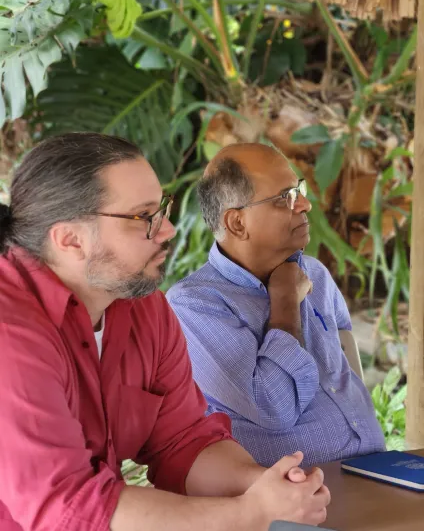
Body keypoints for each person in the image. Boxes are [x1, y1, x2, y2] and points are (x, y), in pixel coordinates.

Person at [0, 133, 330, 531]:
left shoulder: (142, 308)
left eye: (163, 209)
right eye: (144, 217)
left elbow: (184, 441)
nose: (169, 229)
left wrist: (265, 485)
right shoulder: (11, 332)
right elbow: (68, 509)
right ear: (70, 239)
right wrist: (249, 514)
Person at [166, 143, 385, 467]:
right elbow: (274, 408)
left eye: (299, 190)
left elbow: (346, 360)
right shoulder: (194, 305)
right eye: (286, 198)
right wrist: (284, 300)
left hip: (377, 469)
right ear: (237, 223)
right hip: (294, 499)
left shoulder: (315, 275)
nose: (307, 205)